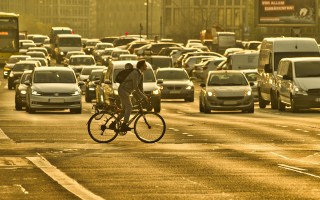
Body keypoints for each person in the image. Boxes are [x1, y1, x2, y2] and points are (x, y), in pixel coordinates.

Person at [110, 60, 149, 132]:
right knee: (129, 107)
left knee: (124, 111)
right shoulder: (135, 73)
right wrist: (144, 97)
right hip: (123, 90)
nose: (146, 66)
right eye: (145, 65)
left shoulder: (141, 74)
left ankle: (113, 124)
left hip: (126, 92)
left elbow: (140, 88)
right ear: (141, 66)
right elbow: (135, 88)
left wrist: (143, 97)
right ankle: (124, 125)